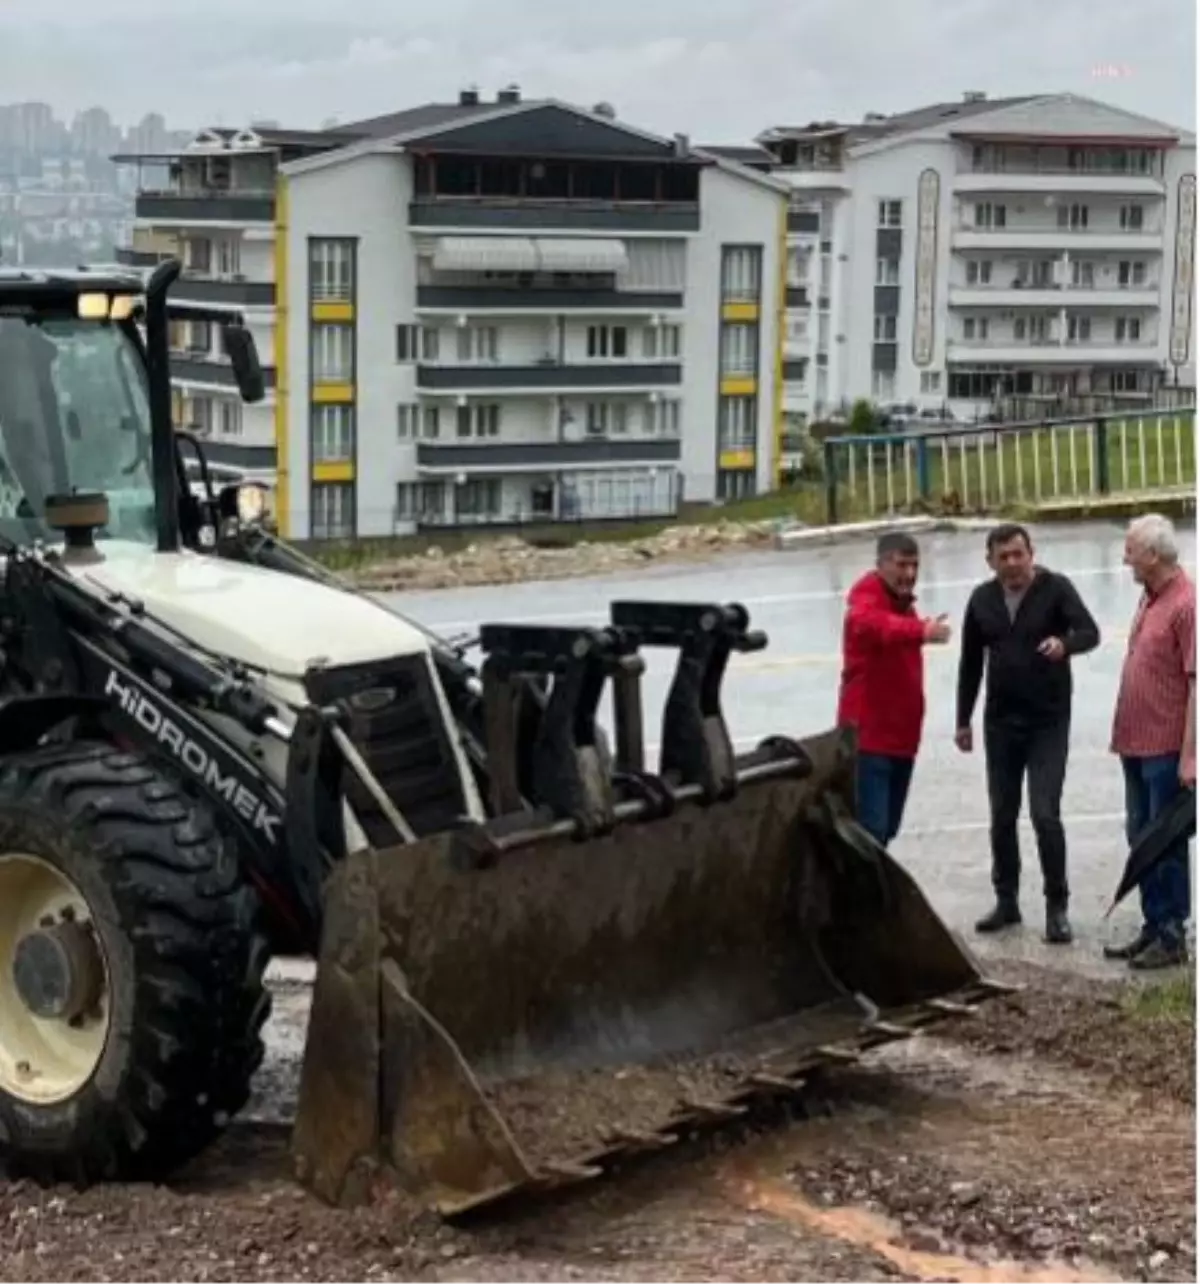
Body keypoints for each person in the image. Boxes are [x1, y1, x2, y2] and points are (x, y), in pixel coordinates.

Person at [954, 523, 1100, 945]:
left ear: (1031, 553)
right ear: (991, 561)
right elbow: (969, 663)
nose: (1013, 563)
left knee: (1044, 813)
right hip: (1001, 724)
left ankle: (1058, 908)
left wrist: (1064, 644)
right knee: (1002, 815)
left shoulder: (1056, 589)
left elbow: (1090, 632)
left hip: (1047, 722)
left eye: (1020, 554)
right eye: (1004, 557)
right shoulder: (982, 600)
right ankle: (1007, 901)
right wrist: (963, 720)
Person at [1105, 513, 1196, 971]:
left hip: (1165, 747)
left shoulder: (1186, 604)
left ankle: (1172, 932)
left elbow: (1196, 683)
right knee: (1140, 836)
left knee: (1165, 841)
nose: (1126, 558)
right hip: (1135, 743)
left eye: (1131, 550)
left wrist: (1191, 754)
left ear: (1153, 555)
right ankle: (1153, 922)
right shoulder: (1150, 597)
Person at [837, 530, 952, 848]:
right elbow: (872, 624)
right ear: (881, 564)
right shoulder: (865, 601)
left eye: (914, 566)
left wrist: (919, 626)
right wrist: (921, 630)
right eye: (901, 565)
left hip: (901, 739)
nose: (910, 574)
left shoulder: (903, 607)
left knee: (885, 829)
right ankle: (862, 898)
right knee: (870, 833)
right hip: (868, 740)